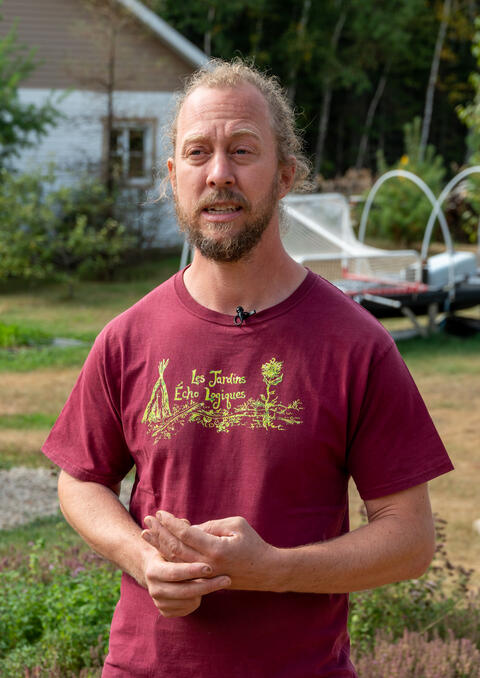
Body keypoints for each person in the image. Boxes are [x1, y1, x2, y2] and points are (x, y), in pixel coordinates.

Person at [42, 59, 453, 677]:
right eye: (198, 153)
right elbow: (79, 480)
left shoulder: (355, 345)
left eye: (243, 150)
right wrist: (140, 558)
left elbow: (410, 540)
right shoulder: (128, 337)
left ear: (285, 175)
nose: (219, 174)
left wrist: (275, 570)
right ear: (174, 175)